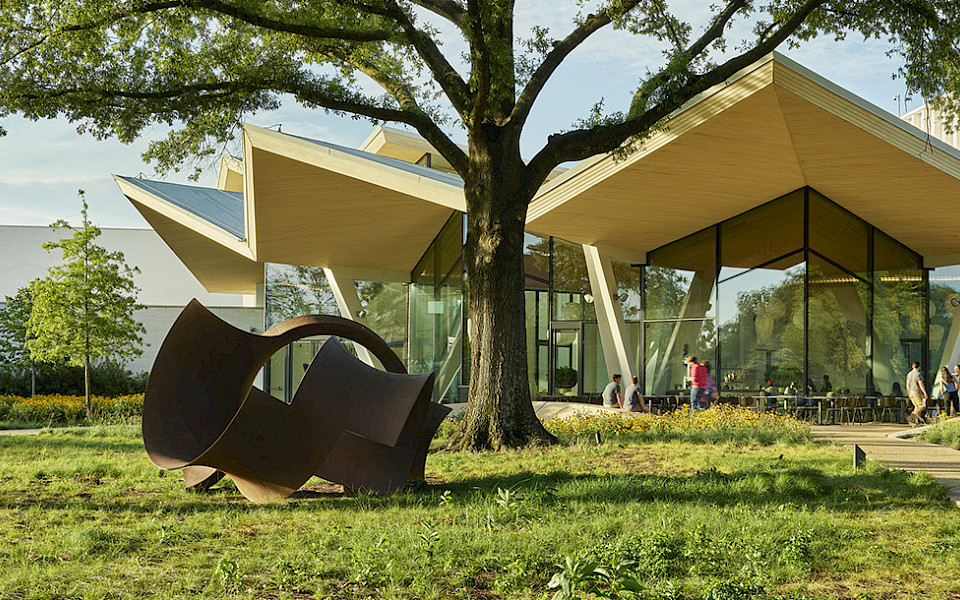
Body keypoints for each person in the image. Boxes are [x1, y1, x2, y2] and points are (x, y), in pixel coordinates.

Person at [906, 361, 928, 425]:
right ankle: (911, 416)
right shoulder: (918, 374)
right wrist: (925, 393)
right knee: (922, 406)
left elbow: (907, 385)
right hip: (917, 391)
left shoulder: (909, 374)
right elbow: (921, 384)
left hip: (911, 392)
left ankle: (916, 421)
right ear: (919, 367)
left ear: (912, 366)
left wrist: (908, 393)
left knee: (916, 406)